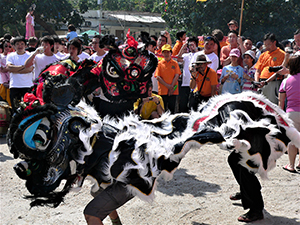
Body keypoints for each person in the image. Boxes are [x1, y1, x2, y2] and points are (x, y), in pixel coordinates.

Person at [278, 55, 300, 173]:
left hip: (291, 113)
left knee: (292, 140)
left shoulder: (286, 81)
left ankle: (291, 165)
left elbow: (281, 101)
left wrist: (280, 114)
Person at [255, 33, 285, 104]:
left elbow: (279, 71)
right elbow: (257, 70)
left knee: (272, 105)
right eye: (265, 45)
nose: (266, 47)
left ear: (274, 42)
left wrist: (266, 82)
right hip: (261, 83)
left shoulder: (281, 54)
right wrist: (257, 82)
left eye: (268, 44)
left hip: (273, 83)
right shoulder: (263, 55)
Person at [6, 36, 34, 112]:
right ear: (14, 46)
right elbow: (9, 68)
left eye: (22, 44)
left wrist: (15, 70)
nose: (20, 46)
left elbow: (29, 69)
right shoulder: (10, 56)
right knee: (15, 109)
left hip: (27, 85)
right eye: (17, 44)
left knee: (27, 109)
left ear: (26, 45)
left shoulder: (30, 56)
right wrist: (23, 67)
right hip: (15, 85)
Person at [154, 44, 181, 113]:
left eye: (168, 52)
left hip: (173, 90)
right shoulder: (159, 64)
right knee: (163, 110)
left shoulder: (175, 63)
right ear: (162, 53)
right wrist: (168, 86)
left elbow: (177, 75)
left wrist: (171, 87)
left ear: (171, 53)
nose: (166, 54)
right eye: (164, 52)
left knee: (172, 110)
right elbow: (157, 76)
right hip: (162, 91)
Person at [177, 36, 199, 112]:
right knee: (183, 104)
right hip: (185, 83)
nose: (191, 47)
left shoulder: (199, 54)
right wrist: (183, 46)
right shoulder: (186, 55)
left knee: (192, 105)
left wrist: (196, 49)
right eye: (189, 45)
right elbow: (179, 59)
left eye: (193, 45)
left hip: (195, 84)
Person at [0, 40, 13, 105]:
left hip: (11, 81)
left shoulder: (12, 56)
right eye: (6, 46)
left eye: (9, 46)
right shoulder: (0, 56)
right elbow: (1, 70)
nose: (7, 48)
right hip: (2, 82)